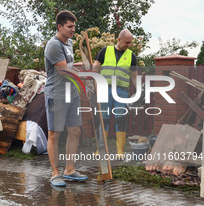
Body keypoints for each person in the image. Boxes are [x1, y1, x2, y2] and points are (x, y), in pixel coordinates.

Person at [44, 10, 88, 187]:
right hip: (57, 95)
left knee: (75, 131)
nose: (73, 30)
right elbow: (64, 71)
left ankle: (69, 170)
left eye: (74, 26)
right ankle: (55, 173)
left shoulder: (69, 43)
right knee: (55, 134)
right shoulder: (53, 45)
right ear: (59, 26)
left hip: (71, 94)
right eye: (70, 27)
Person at [93, 29, 138, 159]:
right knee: (104, 119)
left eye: (130, 42)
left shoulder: (131, 56)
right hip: (105, 89)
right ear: (119, 40)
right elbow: (95, 68)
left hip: (121, 91)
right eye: (127, 42)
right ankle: (100, 150)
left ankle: (120, 151)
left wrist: (139, 90)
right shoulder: (105, 51)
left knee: (120, 119)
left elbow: (134, 76)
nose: (129, 45)